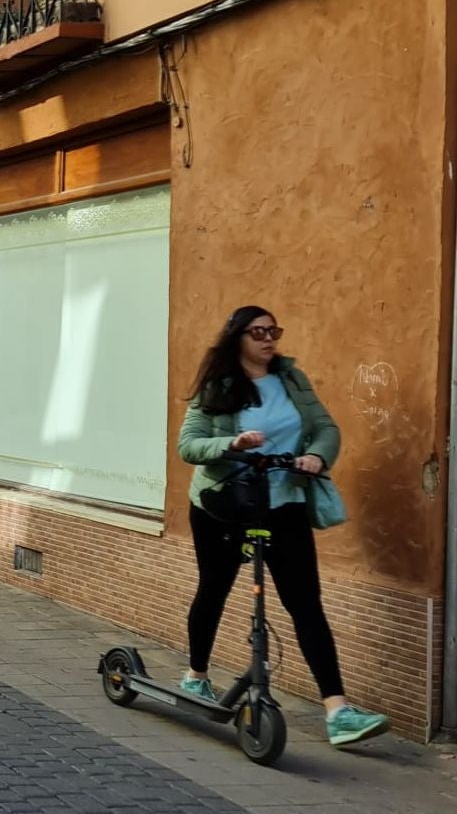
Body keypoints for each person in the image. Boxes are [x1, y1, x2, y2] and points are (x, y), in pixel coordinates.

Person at [177, 305, 389, 746]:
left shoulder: (292, 379)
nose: (269, 339)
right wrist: (231, 442)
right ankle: (196, 675)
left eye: (273, 331)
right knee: (214, 588)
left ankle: (338, 711)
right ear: (238, 338)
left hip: (285, 502)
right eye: (258, 332)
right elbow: (190, 445)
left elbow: (326, 428)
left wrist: (317, 456)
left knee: (306, 603)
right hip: (227, 503)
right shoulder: (218, 386)